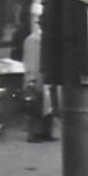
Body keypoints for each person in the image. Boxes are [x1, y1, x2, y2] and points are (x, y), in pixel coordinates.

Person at [20, 8, 56, 142]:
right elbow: (30, 60)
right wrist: (31, 78)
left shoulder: (46, 38)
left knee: (47, 105)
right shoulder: (33, 39)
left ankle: (45, 132)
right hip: (36, 75)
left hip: (45, 74)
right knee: (33, 104)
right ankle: (32, 133)